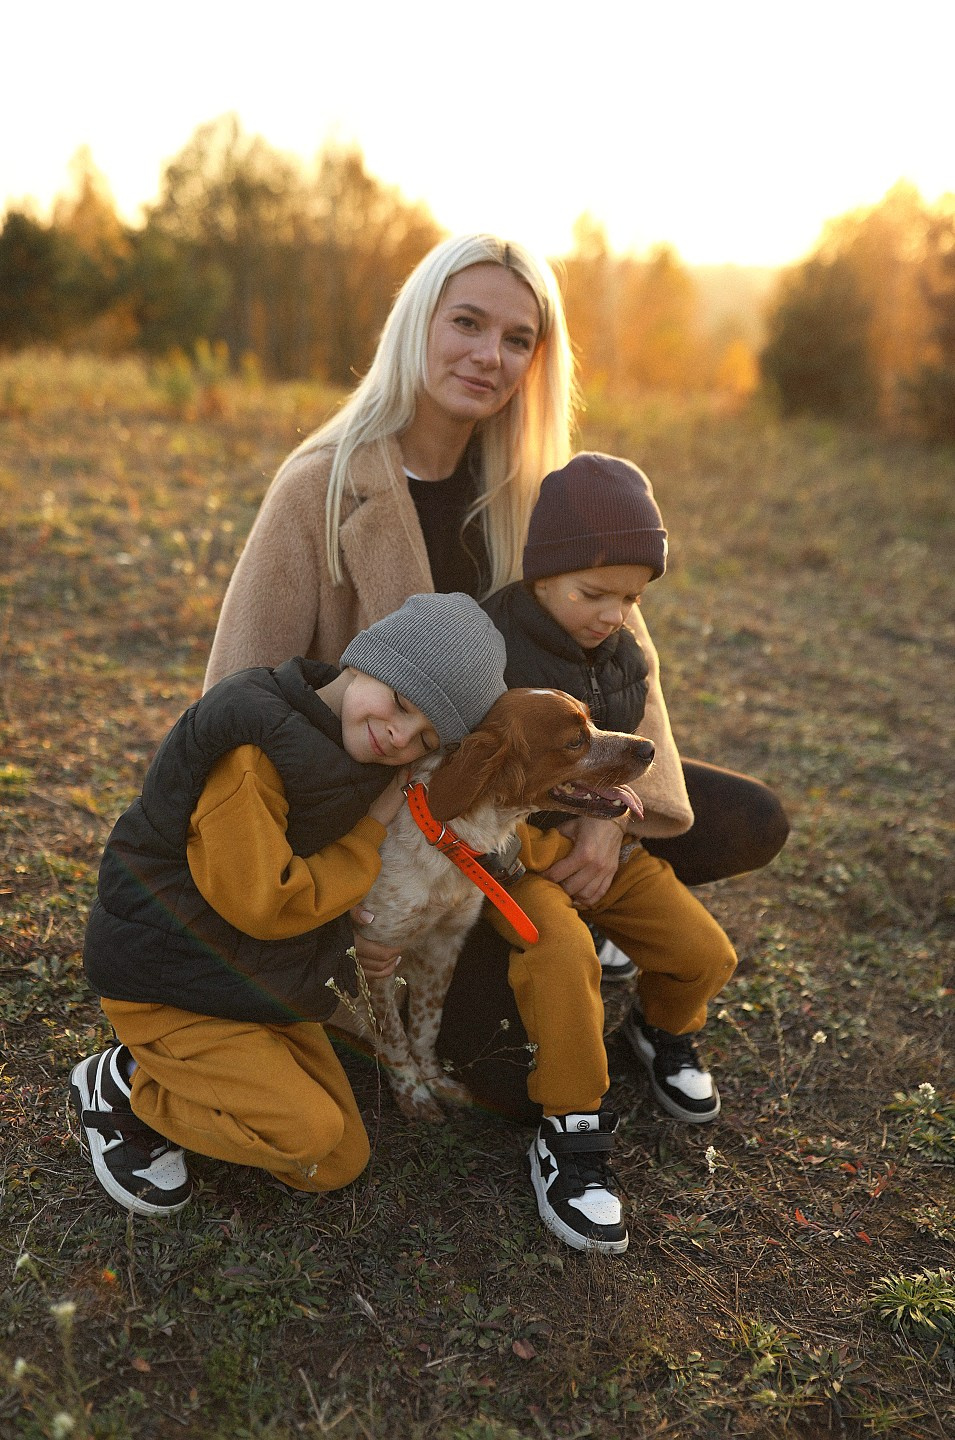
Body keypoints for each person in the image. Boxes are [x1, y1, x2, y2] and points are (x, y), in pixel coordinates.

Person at [200, 230, 788, 1197]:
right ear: (416, 326)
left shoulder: (530, 491)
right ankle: (478, 953)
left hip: (530, 797)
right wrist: (316, 882)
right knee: (516, 1088)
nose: (489, 354)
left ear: (536, 360)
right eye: (466, 323)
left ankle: (574, 914)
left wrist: (613, 821)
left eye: (517, 339)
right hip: (392, 828)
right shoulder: (322, 486)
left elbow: (620, 653)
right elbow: (236, 693)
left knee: (748, 820)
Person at [69, 593, 508, 1217]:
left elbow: (321, 890)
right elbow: (266, 904)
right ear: (365, 661)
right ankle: (126, 1085)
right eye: (402, 704)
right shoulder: (253, 746)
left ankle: (196, 1078)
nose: (399, 736)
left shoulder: (349, 749)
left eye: (425, 738)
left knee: (334, 1161)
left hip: (253, 981)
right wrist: (367, 840)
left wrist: (366, 932)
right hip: (170, 980)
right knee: (304, 1134)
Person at [476, 453, 738, 1253]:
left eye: (629, 597)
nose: (612, 614)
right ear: (542, 576)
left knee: (703, 952)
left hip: (604, 837)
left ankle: (661, 1026)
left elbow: (633, 757)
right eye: (593, 594)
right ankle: (570, 1127)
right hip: (517, 856)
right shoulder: (488, 640)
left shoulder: (625, 654)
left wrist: (611, 828)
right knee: (561, 963)